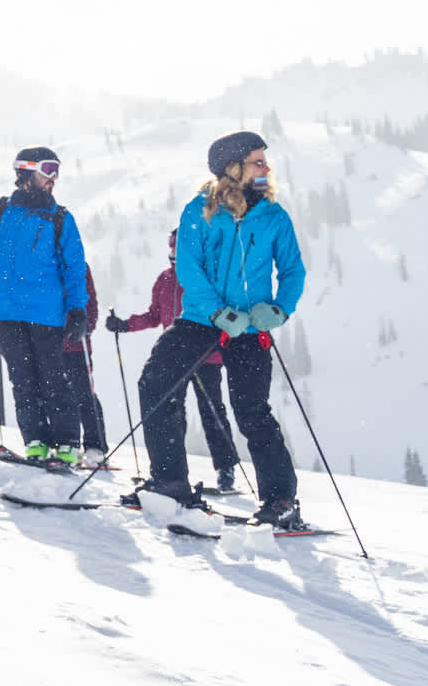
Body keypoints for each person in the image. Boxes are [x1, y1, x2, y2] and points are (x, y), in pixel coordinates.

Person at [133, 131, 307, 526]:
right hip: (200, 321)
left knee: (251, 412)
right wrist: (216, 312)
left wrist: (279, 309)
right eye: (257, 161)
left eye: (264, 161)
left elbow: (293, 270)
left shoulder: (274, 216)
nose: (266, 168)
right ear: (233, 168)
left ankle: (281, 501)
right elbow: (189, 267)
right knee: (156, 385)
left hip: (251, 327)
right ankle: (169, 482)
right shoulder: (199, 211)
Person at [0, 146, 90, 463]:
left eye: (56, 170)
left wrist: (78, 309)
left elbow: (74, 268)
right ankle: (36, 442)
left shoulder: (60, 218)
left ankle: (68, 443)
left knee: (52, 378)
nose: (54, 177)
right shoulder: (2, 209)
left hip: (45, 312)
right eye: (48, 169)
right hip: (6, 310)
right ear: (26, 171)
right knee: (22, 380)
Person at [108, 229, 242, 493]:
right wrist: (125, 325)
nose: (175, 255)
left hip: (207, 356)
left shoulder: (205, 277)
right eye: (173, 250)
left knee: (212, 410)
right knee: (170, 410)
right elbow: (154, 315)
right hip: (174, 357)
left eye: (179, 249)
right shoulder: (165, 279)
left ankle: (226, 468)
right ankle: (173, 470)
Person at [62, 269, 106, 464]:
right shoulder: (43, 262)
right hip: (51, 344)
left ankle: (95, 445)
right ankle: (64, 442)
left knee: (84, 394)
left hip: (77, 346)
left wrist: (88, 324)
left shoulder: (78, 265)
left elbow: (91, 300)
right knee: (57, 395)